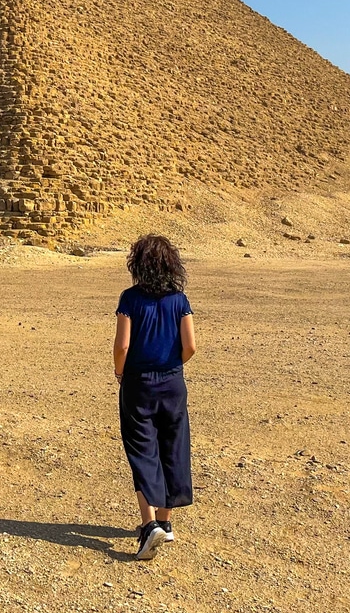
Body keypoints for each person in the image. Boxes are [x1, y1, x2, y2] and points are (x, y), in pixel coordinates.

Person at [113, 234, 197, 561]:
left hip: (138, 384)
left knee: (142, 450)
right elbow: (190, 346)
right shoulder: (180, 300)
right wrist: (171, 367)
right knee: (171, 447)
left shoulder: (130, 299)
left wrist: (121, 373)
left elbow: (122, 346)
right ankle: (166, 521)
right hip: (173, 383)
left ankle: (149, 527)